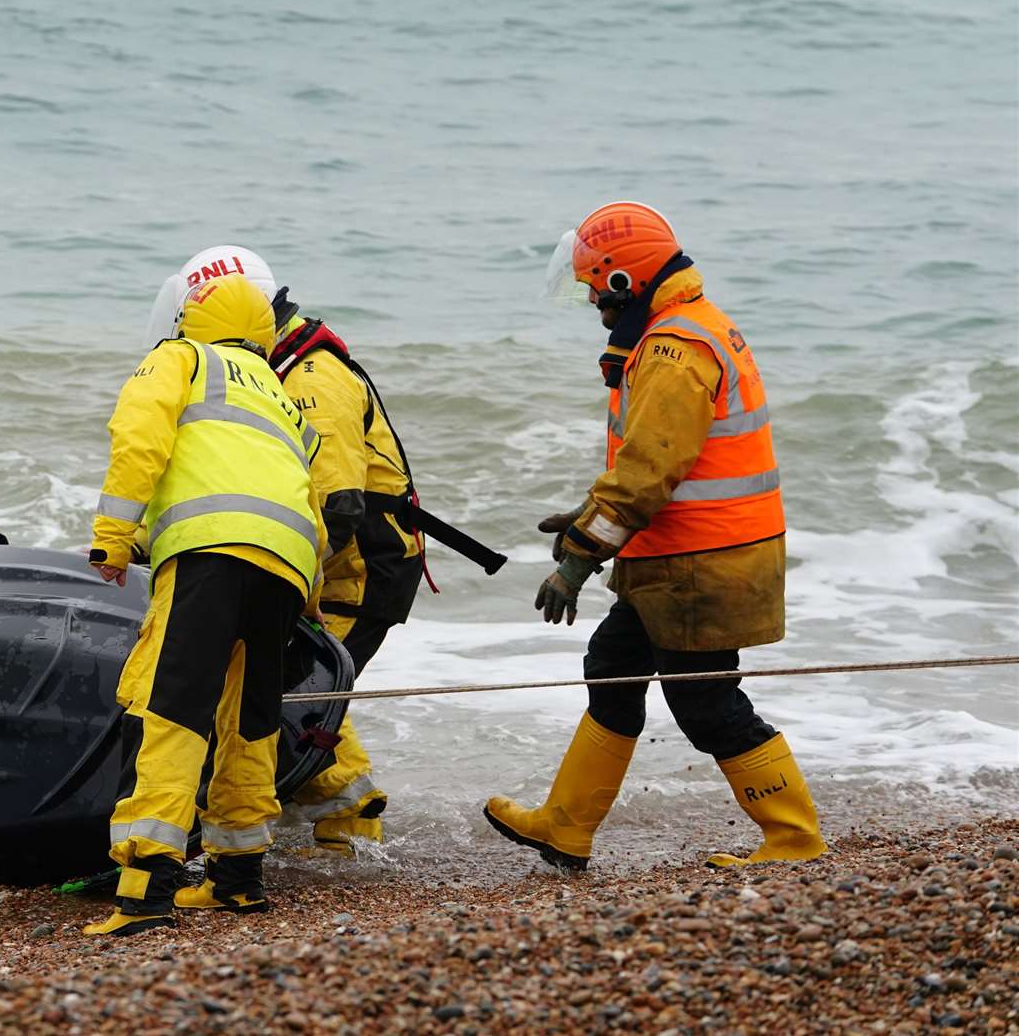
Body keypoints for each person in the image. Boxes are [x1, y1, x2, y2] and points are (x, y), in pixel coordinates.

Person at [484, 201, 825, 870]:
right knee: (611, 667)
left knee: (703, 700)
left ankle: (793, 838)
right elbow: (658, 462)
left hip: (701, 561)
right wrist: (588, 515)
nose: (588, 298)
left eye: (592, 284)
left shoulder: (673, 348)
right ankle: (564, 826)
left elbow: (647, 471)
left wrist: (578, 560)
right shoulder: (688, 325)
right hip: (683, 556)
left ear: (623, 281)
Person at [154, 245, 420, 854]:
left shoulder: (309, 375)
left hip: (356, 572)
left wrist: (283, 585)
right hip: (326, 563)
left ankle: (350, 823)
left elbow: (336, 506)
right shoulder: (275, 365)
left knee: (293, 695)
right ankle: (334, 818)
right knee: (282, 691)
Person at [83, 272, 326, 937]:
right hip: (285, 563)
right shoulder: (281, 396)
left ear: (193, 316)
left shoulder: (179, 359)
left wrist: (111, 538)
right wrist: (310, 591)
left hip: (210, 554)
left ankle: (145, 891)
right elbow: (305, 490)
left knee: (170, 707)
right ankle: (236, 878)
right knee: (248, 721)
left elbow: (139, 443)